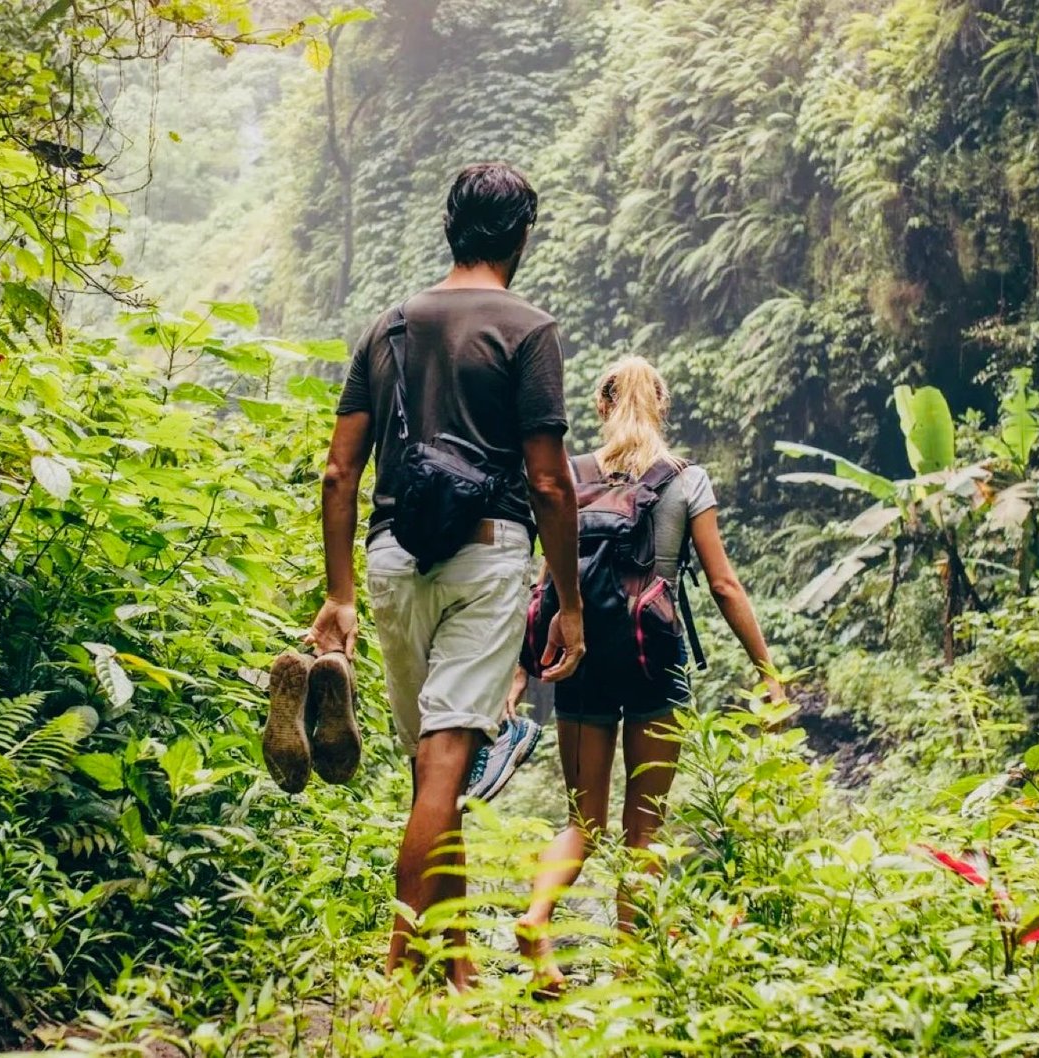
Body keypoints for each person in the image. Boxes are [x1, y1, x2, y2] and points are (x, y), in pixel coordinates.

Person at [306, 162, 586, 996]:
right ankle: (402, 960)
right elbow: (548, 481)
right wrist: (567, 602)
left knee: (438, 764)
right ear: (520, 236)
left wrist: (340, 593)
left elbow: (338, 473)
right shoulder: (528, 330)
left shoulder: (387, 328)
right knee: (447, 761)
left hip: (393, 559)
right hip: (486, 549)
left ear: (450, 227)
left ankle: (454, 961)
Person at [513, 355, 782, 995]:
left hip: (579, 656)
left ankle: (535, 916)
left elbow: (545, 583)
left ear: (602, 406)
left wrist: (523, 671)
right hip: (654, 661)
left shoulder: (570, 478)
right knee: (646, 825)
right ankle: (631, 971)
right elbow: (721, 583)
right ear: (661, 404)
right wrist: (767, 669)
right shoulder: (686, 481)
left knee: (583, 819)